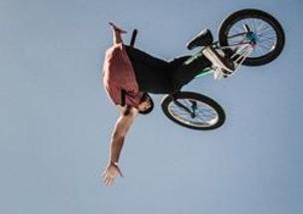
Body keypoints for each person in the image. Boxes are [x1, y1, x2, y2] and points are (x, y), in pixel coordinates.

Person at [101, 23, 236, 186]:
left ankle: (206, 57)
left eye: (147, 105)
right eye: (149, 105)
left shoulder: (129, 106)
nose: (147, 103)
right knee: (168, 69)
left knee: (170, 86)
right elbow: (117, 51)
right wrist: (117, 35)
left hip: (122, 67)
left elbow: (119, 134)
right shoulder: (132, 95)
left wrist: (113, 162)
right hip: (120, 53)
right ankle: (206, 48)